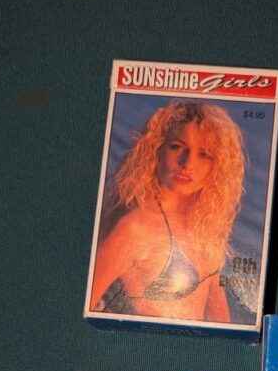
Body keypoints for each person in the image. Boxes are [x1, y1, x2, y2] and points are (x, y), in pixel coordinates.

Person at [90, 101, 245, 321]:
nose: (187, 163)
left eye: (204, 154)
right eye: (177, 147)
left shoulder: (206, 230)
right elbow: (85, 308)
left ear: (217, 166)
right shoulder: (134, 228)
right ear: (157, 149)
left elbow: (221, 320)